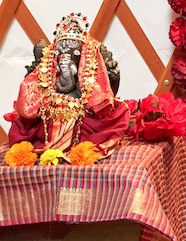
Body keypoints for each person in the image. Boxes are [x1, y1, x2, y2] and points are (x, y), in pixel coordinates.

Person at [7, 13, 130, 159]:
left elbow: (96, 99)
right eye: (60, 54)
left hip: (80, 119)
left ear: (82, 56)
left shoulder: (88, 75)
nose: (64, 58)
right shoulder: (50, 71)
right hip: (52, 118)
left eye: (74, 54)